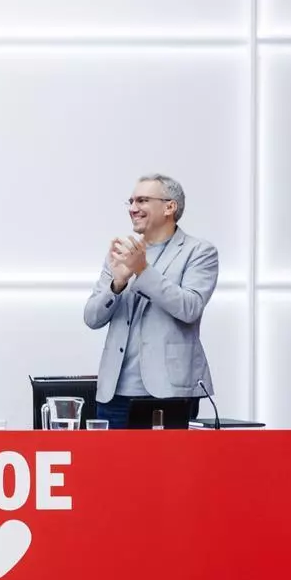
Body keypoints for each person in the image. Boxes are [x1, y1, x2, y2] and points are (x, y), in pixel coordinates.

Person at [83, 174, 218, 429]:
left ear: (170, 207)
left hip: (170, 394)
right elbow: (91, 317)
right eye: (131, 201)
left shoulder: (199, 251)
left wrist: (142, 271)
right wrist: (117, 284)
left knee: (166, 469)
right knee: (112, 468)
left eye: (143, 200)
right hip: (114, 393)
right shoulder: (122, 252)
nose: (133, 208)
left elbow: (190, 308)